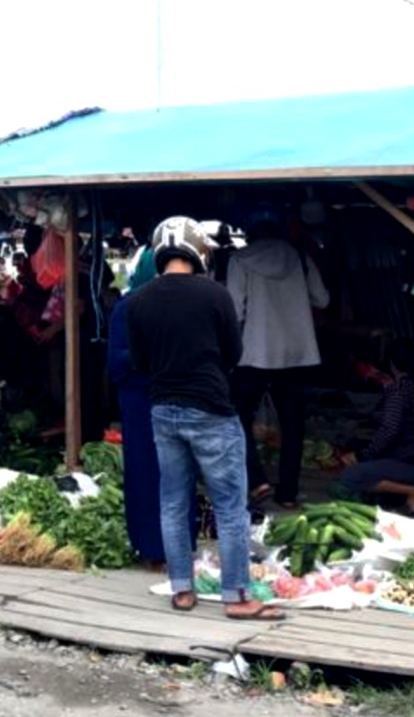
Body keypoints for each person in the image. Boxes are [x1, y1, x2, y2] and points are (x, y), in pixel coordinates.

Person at [126, 217, 280, 621]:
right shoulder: (215, 295)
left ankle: (181, 590)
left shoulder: (138, 301)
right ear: (198, 250)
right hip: (212, 409)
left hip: (162, 410)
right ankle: (237, 596)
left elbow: (139, 362)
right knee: (230, 505)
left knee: (174, 502)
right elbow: (233, 352)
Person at [226, 206, 329, 508]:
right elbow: (322, 298)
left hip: (254, 352)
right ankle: (288, 493)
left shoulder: (240, 260)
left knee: (236, 416)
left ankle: (256, 480)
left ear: (250, 233)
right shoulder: (298, 257)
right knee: (293, 423)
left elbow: (234, 310)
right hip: (297, 352)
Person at [106, 248, 198, 568]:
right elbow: (118, 360)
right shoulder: (129, 307)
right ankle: (154, 549)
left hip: (170, 396)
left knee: (176, 472)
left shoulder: (176, 304)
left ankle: (176, 547)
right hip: (143, 402)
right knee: (151, 473)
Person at [336, 350, 414, 512]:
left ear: (392, 365)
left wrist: (361, 455)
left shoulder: (398, 391)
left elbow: (390, 431)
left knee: (350, 476)